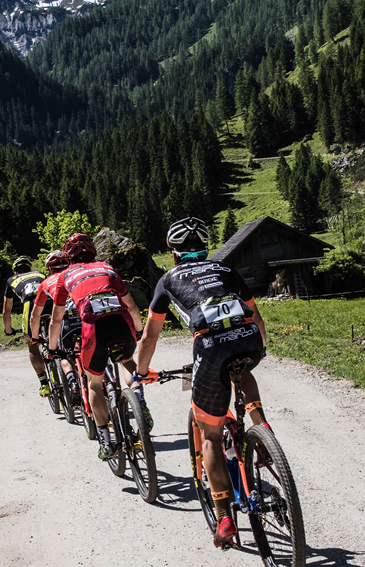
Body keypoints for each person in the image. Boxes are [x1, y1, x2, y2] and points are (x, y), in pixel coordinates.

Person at [134, 217, 268, 549]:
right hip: (248, 339)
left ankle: (223, 517)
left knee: (209, 435)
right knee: (243, 369)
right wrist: (260, 351)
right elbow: (255, 315)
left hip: (209, 349)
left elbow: (150, 337)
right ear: (206, 248)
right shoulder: (225, 271)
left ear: (174, 252)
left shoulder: (167, 280)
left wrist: (141, 371)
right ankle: (262, 431)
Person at [48, 233, 144, 460]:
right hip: (122, 324)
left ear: (69, 256)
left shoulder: (65, 276)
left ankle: (106, 441)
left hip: (94, 330)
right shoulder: (108, 268)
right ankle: (139, 401)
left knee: (94, 384)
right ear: (93, 250)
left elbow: (56, 320)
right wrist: (138, 330)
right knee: (128, 361)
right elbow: (132, 306)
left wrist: (53, 348)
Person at [29, 250, 80, 389]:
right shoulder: (78, 274)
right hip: (86, 314)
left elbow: (35, 316)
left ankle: (72, 381)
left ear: (50, 268)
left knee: (62, 354)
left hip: (66, 321)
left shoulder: (46, 283)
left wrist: (35, 337)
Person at [3, 256, 48, 396]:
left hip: (30, 305)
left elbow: (6, 310)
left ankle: (44, 384)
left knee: (32, 344)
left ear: (15, 271)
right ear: (30, 268)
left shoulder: (11, 280)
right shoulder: (40, 273)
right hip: (49, 300)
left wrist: (8, 330)